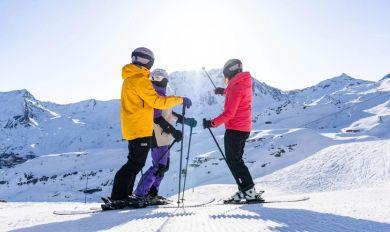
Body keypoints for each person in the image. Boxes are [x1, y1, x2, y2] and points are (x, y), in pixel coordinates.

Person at [106, 47, 192, 209]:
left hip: (134, 127)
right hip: (140, 128)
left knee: (135, 163)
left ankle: (125, 195)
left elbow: (151, 105)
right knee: (134, 164)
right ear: (149, 61)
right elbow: (157, 103)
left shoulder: (130, 78)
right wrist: (179, 99)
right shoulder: (140, 79)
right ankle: (118, 197)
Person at [203, 59, 263, 203]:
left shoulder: (235, 87)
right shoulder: (242, 83)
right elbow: (237, 96)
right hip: (242, 128)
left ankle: (249, 192)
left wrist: (211, 123)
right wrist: (224, 91)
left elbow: (229, 113)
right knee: (236, 160)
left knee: (234, 161)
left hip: (235, 129)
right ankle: (245, 190)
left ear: (228, 73)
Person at [133, 69, 197, 204]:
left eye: (161, 76)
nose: (158, 79)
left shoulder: (162, 96)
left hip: (163, 136)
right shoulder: (154, 95)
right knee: (158, 166)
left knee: (164, 166)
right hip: (156, 135)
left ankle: (151, 194)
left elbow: (169, 114)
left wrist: (185, 121)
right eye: (155, 77)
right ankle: (140, 194)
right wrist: (174, 131)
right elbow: (156, 118)